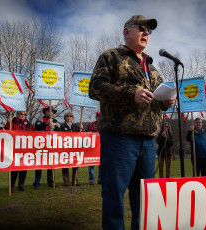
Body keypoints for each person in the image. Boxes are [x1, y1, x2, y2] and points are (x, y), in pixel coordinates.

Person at [89, 15, 176, 230]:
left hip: (148, 142)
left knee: (145, 198)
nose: (146, 33)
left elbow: (154, 102)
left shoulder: (153, 69)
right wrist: (131, 93)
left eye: (149, 30)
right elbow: (95, 88)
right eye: (141, 28)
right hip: (119, 138)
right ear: (126, 31)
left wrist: (166, 102)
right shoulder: (112, 57)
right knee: (114, 195)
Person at [4, 111, 34, 192]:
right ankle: (12, 185)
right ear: (17, 115)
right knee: (14, 169)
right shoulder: (13, 122)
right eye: (21, 114)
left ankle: (21, 184)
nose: (23, 116)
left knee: (24, 168)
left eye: (24, 114)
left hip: (25, 149)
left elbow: (34, 133)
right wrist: (8, 122)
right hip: (15, 149)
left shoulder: (28, 124)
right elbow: (5, 130)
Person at [33, 106, 60, 189]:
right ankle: (37, 183)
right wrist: (46, 124)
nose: (50, 113)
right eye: (48, 111)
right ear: (45, 112)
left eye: (52, 111)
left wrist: (53, 127)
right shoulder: (40, 119)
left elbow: (60, 129)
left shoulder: (55, 121)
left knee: (51, 165)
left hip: (51, 145)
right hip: (41, 145)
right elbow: (37, 127)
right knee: (39, 165)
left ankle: (51, 182)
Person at [59, 111, 83, 186]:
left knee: (75, 164)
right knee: (65, 164)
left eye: (70, 116)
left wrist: (81, 129)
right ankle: (66, 181)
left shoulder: (76, 126)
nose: (69, 118)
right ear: (65, 118)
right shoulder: (62, 126)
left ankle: (75, 179)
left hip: (74, 148)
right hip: (65, 149)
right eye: (67, 116)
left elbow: (80, 136)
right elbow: (59, 136)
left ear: (72, 118)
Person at [86, 111, 101, 185]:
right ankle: (91, 179)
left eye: (100, 116)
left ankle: (100, 179)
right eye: (98, 116)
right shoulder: (91, 125)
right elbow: (86, 135)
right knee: (91, 164)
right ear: (96, 117)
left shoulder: (104, 125)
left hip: (101, 148)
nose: (99, 117)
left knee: (101, 165)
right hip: (92, 148)